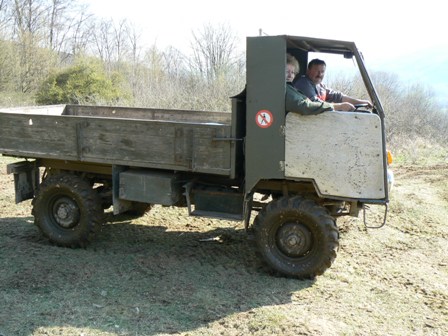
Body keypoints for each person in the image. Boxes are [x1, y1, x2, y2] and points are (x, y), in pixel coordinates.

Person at [285, 54, 355, 114]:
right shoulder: (288, 88)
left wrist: (363, 102)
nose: (290, 76)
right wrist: (337, 106)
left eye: (293, 72)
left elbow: (337, 96)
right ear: (308, 71)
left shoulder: (320, 86)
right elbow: (305, 106)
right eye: (287, 72)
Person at [294, 58, 373, 109]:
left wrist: (361, 102)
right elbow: (316, 104)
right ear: (308, 71)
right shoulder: (304, 83)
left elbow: (338, 97)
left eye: (322, 72)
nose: (320, 74)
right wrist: (340, 106)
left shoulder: (321, 86)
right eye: (316, 70)